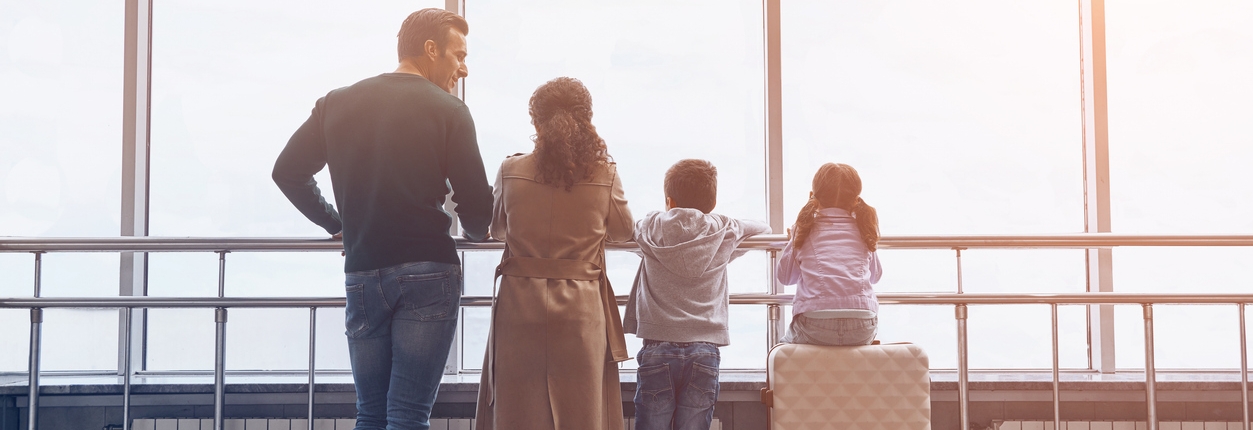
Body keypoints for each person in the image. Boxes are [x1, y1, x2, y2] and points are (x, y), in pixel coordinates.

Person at [271, 9, 493, 430]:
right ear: (431, 50)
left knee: (370, 414)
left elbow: (288, 171)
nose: (463, 69)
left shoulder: (336, 103)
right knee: (408, 415)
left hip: (362, 272)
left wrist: (336, 223)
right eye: (458, 56)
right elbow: (478, 214)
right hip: (429, 274)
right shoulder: (450, 110)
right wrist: (479, 232)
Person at [474, 77, 633, 430]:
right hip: (580, 311)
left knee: (518, 414)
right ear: (587, 120)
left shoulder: (510, 170)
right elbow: (624, 232)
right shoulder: (605, 174)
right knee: (581, 414)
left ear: (535, 123)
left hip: (520, 307)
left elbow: (499, 230)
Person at [623, 159, 770, 430]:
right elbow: (764, 228)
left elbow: (623, 231)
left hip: (658, 345)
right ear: (712, 203)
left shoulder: (651, 227)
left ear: (669, 201)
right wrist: (728, 239)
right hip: (705, 348)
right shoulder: (724, 229)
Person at [776, 163, 882, 346]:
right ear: (857, 200)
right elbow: (876, 276)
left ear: (812, 197)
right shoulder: (864, 229)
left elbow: (785, 278)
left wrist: (792, 239)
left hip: (815, 326)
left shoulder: (803, 230)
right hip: (862, 325)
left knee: (781, 348)